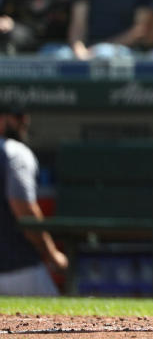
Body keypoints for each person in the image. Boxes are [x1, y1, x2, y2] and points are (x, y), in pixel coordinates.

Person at [0, 106, 68, 295]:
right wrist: (52, 255)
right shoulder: (14, 152)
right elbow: (25, 213)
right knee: (56, 320)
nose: (25, 121)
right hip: (18, 269)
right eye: (18, 116)